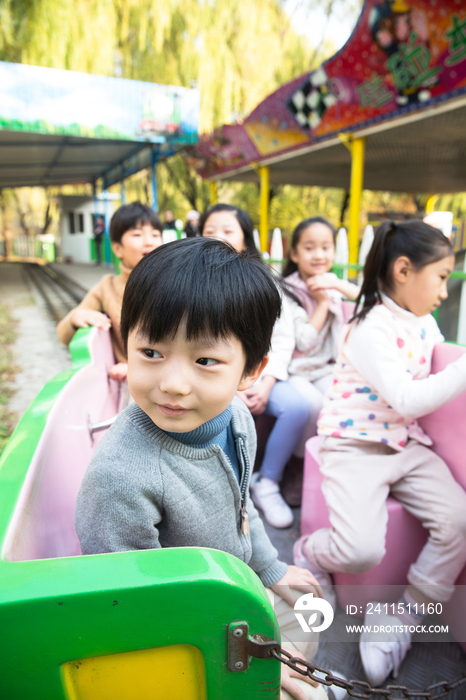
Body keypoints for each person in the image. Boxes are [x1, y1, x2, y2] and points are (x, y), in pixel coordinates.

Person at [75, 238, 329, 700]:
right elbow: (136, 614)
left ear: (251, 370)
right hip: (182, 638)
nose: (172, 384)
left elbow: (239, 505)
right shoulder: (121, 480)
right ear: (126, 343)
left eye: (205, 361)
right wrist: (246, 669)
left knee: (312, 627)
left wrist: (269, 568)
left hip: (225, 590)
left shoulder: (235, 419)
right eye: (150, 352)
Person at [294, 220, 466, 685]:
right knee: (359, 549)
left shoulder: (424, 322)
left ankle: (406, 612)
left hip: (406, 445)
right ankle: (308, 552)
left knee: (459, 520)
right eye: (443, 276)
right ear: (405, 270)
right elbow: (407, 397)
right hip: (354, 447)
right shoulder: (369, 327)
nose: (445, 292)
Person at [200, 205, 310, 529]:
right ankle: (224, 491)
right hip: (215, 379)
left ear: (245, 240)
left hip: (259, 375)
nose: (218, 237)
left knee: (297, 408)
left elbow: (284, 337)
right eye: (210, 230)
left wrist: (267, 382)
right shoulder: (191, 284)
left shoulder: (265, 283)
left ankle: (268, 481)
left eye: (228, 230)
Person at [257, 218, 359, 512]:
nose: (319, 255)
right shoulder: (288, 291)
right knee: (312, 404)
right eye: (310, 247)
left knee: (341, 399)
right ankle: (297, 466)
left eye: (325, 247)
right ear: (295, 254)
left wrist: (335, 287)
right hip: (295, 369)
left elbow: (370, 302)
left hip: (326, 368)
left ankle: (332, 467)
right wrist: (323, 303)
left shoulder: (333, 285)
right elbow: (303, 342)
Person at [57, 201, 163, 382]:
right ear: (117, 248)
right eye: (137, 234)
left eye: (155, 234)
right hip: (128, 388)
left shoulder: (177, 281)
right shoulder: (107, 287)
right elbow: (63, 335)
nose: (149, 241)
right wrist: (76, 317)